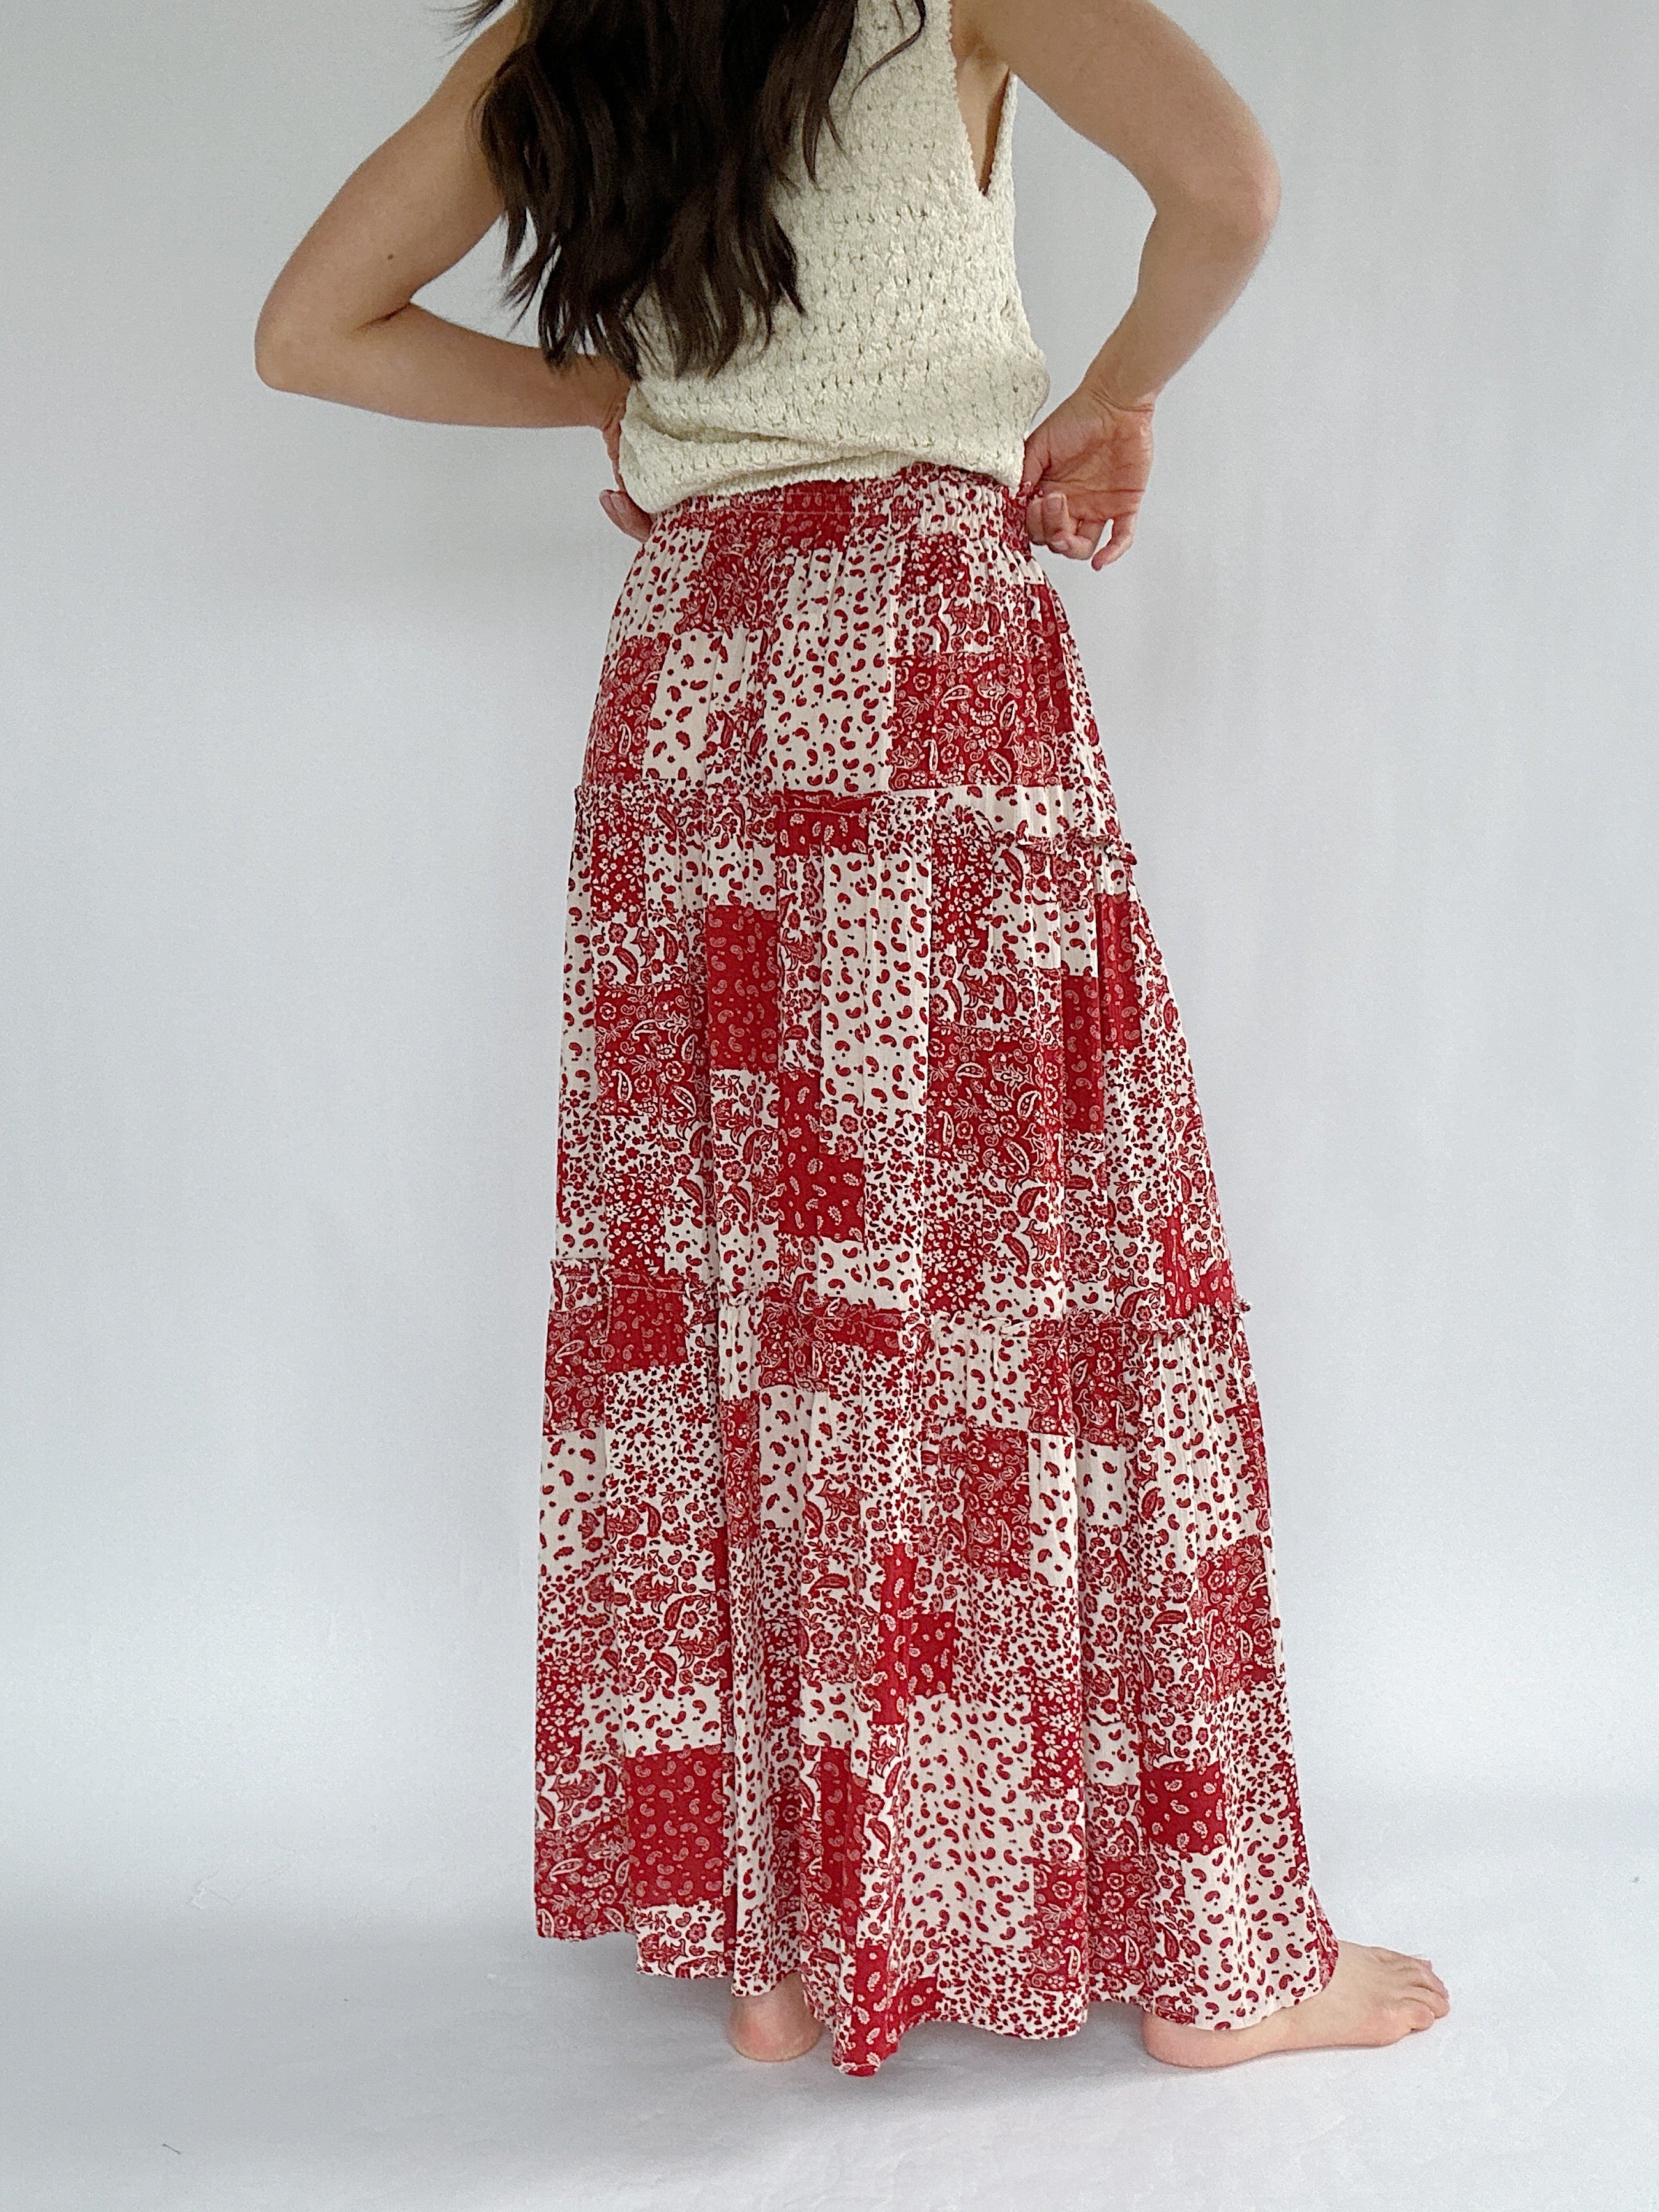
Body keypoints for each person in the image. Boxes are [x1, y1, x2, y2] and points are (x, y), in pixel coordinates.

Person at [257, 0, 1450, 2077]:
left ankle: (788, 1948)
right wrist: (1114, 399)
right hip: (917, 664)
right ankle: (1212, 1963)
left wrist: (637, 401)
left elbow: (311, 328)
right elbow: (1230, 187)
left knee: (742, 1289)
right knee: (1018, 1292)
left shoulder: (575, 29)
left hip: (690, 687)